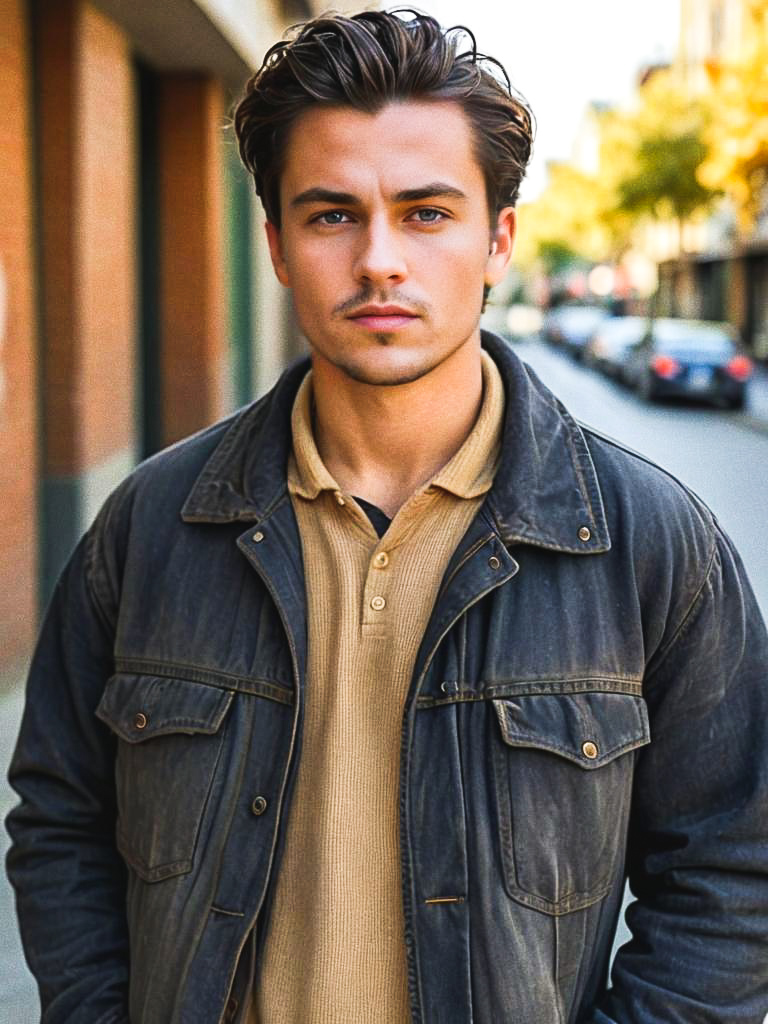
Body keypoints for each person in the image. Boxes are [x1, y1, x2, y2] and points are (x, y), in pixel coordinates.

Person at [6, 9, 768, 1023]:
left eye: (425, 212)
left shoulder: (649, 544)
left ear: (498, 237)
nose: (378, 261)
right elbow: (61, 817)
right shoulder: (151, 529)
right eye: (331, 214)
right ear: (275, 244)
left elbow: (734, 870)